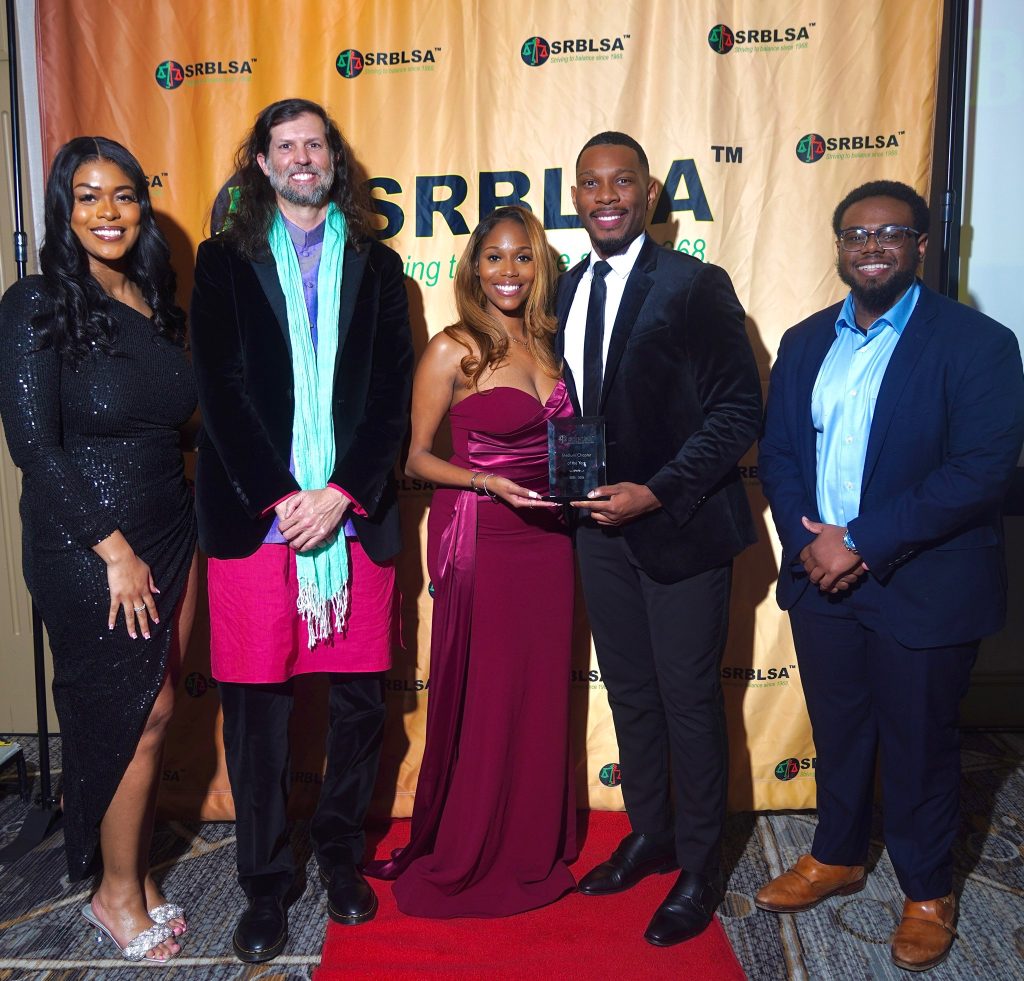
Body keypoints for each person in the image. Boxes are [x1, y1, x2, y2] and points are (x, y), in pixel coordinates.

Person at [757, 180, 1024, 972]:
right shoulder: (807, 339)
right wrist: (810, 543)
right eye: (856, 234)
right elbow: (779, 452)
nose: (871, 246)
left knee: (920, 743)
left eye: (889, 233)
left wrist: (863, 542)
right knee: (839, 731)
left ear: (921, 245)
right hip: (820, 579)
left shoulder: (978, 342)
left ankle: (927, 890)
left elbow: (980, 470)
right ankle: (836, 853)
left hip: (923, 580)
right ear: (840, 247)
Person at [189, 98, 413, 964]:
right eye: (284, 145)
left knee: (359, 706)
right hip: (259, 519)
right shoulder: (222, 261)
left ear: (333, 158)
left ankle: (340, 851)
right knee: (258, 711)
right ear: (262, 163)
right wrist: (286, 497)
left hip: (353, 518)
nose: (301, 156)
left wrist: (342, 493)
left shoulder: (378, 265)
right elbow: (220, 388)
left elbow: (391, 394)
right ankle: (265, 880)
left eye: (314, 143)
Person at [556, 132, 762, 946]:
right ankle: (652, 831)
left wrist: (658, 490)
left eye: (622, 181)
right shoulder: (566, 286)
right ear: (576, 196)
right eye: (591, 183)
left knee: (687, 699)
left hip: (679, 527)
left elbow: (738, 412)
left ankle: (701, 863)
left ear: (648, 193)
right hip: (597, 530)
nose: (606, 196)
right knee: (631, 692)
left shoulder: (694, 284)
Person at [0, 137, 198, 963]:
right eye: (88, 196)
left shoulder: (155, 299)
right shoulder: (37, 302)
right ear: (64, 208)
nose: (108, 213)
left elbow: (178, 424)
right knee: (130, 712)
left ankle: (137, 875)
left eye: (123, 195)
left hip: (169, 527)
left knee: (157, 709)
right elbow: (33, 445)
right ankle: (113, 895)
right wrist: (112, 549)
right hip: (90, 542)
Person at [363, 205, 577, 916]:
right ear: (473, 268)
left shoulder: (549, 344)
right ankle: (476, 836)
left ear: (539, 266)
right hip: (483, 536)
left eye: (522, 256)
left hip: (550, 540)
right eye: (494, 257)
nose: (508, 270)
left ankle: (530, 835)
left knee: (538, 689)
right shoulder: (453, 348)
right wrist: (485, 481)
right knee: (488, 691)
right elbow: (416, 458)